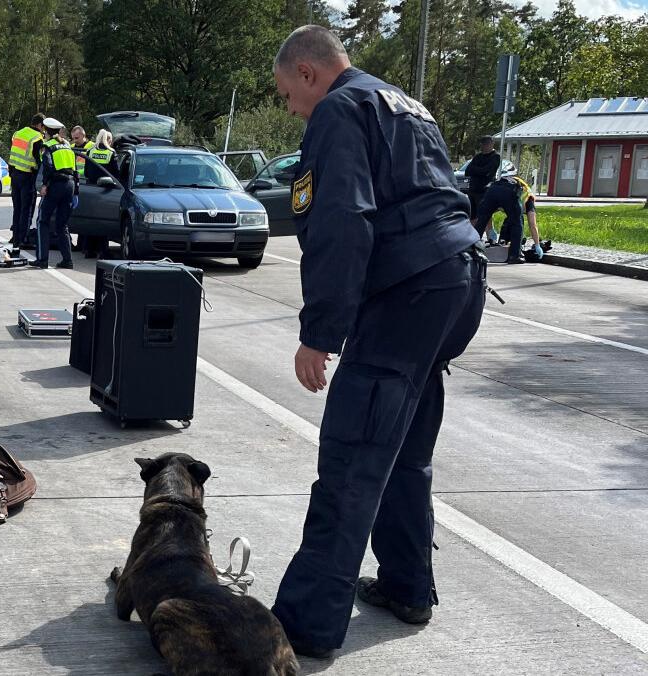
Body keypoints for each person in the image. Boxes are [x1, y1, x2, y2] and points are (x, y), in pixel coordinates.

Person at [269, 26, 486, 658]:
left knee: (352, 459)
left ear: (309, 73)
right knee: (405, 451)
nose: (290, 108)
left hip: (408, 296)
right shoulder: (402, 102)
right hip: (456, 286)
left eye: (287, 95)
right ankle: (407, 585)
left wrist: (319, 334)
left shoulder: (338, 109)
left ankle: (306, 627)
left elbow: (343, 220)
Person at [34, 119, 78, 270]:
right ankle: (67, 260)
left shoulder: (48, 146)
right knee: (62, 225)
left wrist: (44, 184)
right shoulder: (67, 145)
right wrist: (76, 192)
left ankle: (42, 260)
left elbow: (48, 166)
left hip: (56, 185)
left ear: (46, 131)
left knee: (42, 221)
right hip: (70, 186)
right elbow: (75, 169)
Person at [8, 113, 49, 247]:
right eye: (44, 127)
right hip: (27, 176)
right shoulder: (37, 138)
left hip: (14, 175)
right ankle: (23, 239)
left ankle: (15, 237)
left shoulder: (18, 133)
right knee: (27, 209)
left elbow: (13, 153)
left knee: (17, 207)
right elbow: (40, 161)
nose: (44, 130)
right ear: (39, 125)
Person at [473, 175, 525, 264]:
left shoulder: (503, 181)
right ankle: (514, 256)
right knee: (517, 223)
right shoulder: (527, 192)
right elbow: (527, 217)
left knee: (481, 221)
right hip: (509, 191)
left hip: (492, 189)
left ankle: (471, 251)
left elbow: (490, 211)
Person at [465, 136, 500, 226]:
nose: (484, 146)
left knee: (485, 215)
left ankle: (490, 237)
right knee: (472, 216)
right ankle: (473, 236)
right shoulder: (478, 156)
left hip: (485, 190)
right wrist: (480, 170)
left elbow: (487, 172)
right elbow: (468, 171)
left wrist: (476, 170)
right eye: (483, 144)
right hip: (473, 190)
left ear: (491, 144)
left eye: (486, 144)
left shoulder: (495, 156)